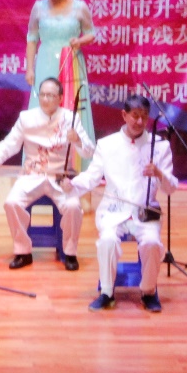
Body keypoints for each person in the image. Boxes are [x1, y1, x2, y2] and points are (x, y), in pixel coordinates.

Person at [63, 94, 177, 312]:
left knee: (152, 243)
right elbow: (92, 177)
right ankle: (107, 292)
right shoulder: (107, 144)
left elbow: (171, 187)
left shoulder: (159, 146)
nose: (140, 121)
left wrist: (159, 173)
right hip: (113, 211)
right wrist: (72, 185)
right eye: (135, 116)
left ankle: (149, 291)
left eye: (144, 116)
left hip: (145, 211)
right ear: (124, 115)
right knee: (107, 240)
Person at [0, 77, 94, 271]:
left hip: (59, 177)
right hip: (31, 175)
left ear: (60, 98)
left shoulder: (71, 118)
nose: (45, 99)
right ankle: (23, 251)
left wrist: (77, 139)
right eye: (43, 94)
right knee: (11, 203)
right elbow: (10, 143)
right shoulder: (26, 118)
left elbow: (88, 152)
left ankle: (69, 252)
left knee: (73, 206)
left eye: (51, 95)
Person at [25, 0, 96, 145]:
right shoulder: (39, 7)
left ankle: (75, 156)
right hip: (45, 63)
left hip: (71, 63)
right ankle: (40, 155)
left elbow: (91, 33)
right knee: (44, 106)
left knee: (71, 107)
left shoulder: (80, 7)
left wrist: (80, 42)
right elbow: (32, 38)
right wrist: (30, 69)